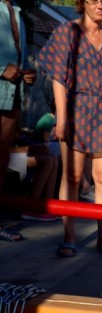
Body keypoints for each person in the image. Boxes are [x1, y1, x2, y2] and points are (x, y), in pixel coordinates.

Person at [37, 0, 102, 258]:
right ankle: (69, 237)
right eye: (94, 0)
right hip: (76, 110)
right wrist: (61, 118)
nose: (101, 5)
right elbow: (58, 77)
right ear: (81, 3)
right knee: (73, 177)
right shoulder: (67, 32)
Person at [0, 0, 37, 241]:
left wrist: (29, 74)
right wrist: (1, 68)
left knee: (2, 159)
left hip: (12, 96)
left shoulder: (19, 14)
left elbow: (19, 61)